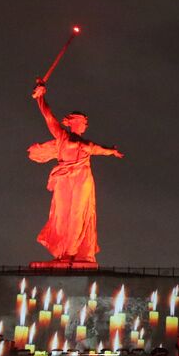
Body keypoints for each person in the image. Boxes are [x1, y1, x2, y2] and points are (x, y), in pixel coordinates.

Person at [27, 83, 125, 265]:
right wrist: (40, 97)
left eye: (85, 124)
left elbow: (99, 149)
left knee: (78, 214)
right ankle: (63, 252)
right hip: (65, 177)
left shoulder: (87, 143)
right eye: (82, 122)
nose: (85, 126)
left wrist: (112, 151)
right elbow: (49, 118)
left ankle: (72, 252)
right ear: (74, 122)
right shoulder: (63, 137)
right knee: (63, 214)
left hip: (82, 178)